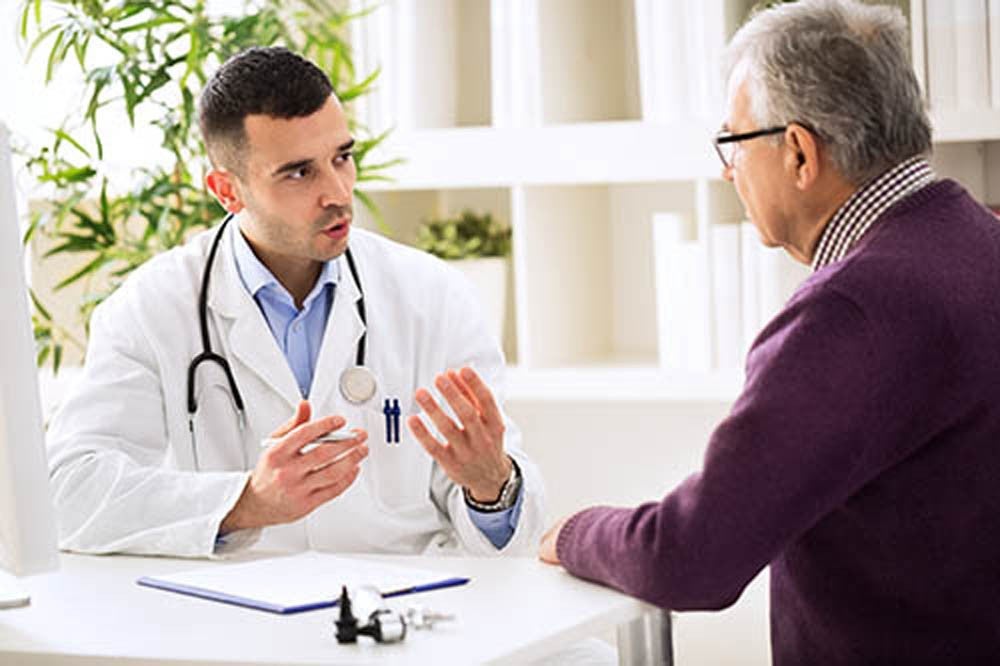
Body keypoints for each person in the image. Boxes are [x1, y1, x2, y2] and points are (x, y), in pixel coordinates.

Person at [539, 0, 1000, 663]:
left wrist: (575, 533)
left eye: (733, 142)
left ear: (798, 152)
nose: (728, 171)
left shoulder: (854, 310)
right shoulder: (982, 241)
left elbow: (690, 557)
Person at [46, 46, 544, 558]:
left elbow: (510, 532)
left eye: (342, 158)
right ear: (226, 190)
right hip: (237, 620)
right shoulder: (152, 308)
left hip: (407, 611)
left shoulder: (433, 296)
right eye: (299, 173)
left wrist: (492, 487)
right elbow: (67, 491)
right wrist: (247, 501)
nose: (338, 192)